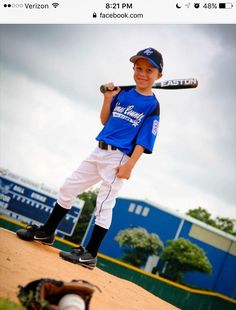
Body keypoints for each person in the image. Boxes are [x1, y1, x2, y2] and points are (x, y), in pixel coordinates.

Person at [16, 47, 163, 270]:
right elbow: (105, 120)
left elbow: (145, 140)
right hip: (99, 151)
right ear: (133, 69)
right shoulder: (124, 93)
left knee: (103, 204)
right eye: (138, 68)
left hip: (120, 158)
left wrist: (130, 165)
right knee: (68, 187)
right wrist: (107, 98)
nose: (142, 74)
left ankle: (90, 254)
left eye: (149, 70)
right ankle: (47, 232)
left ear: (158, 75)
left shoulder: (152, 105)